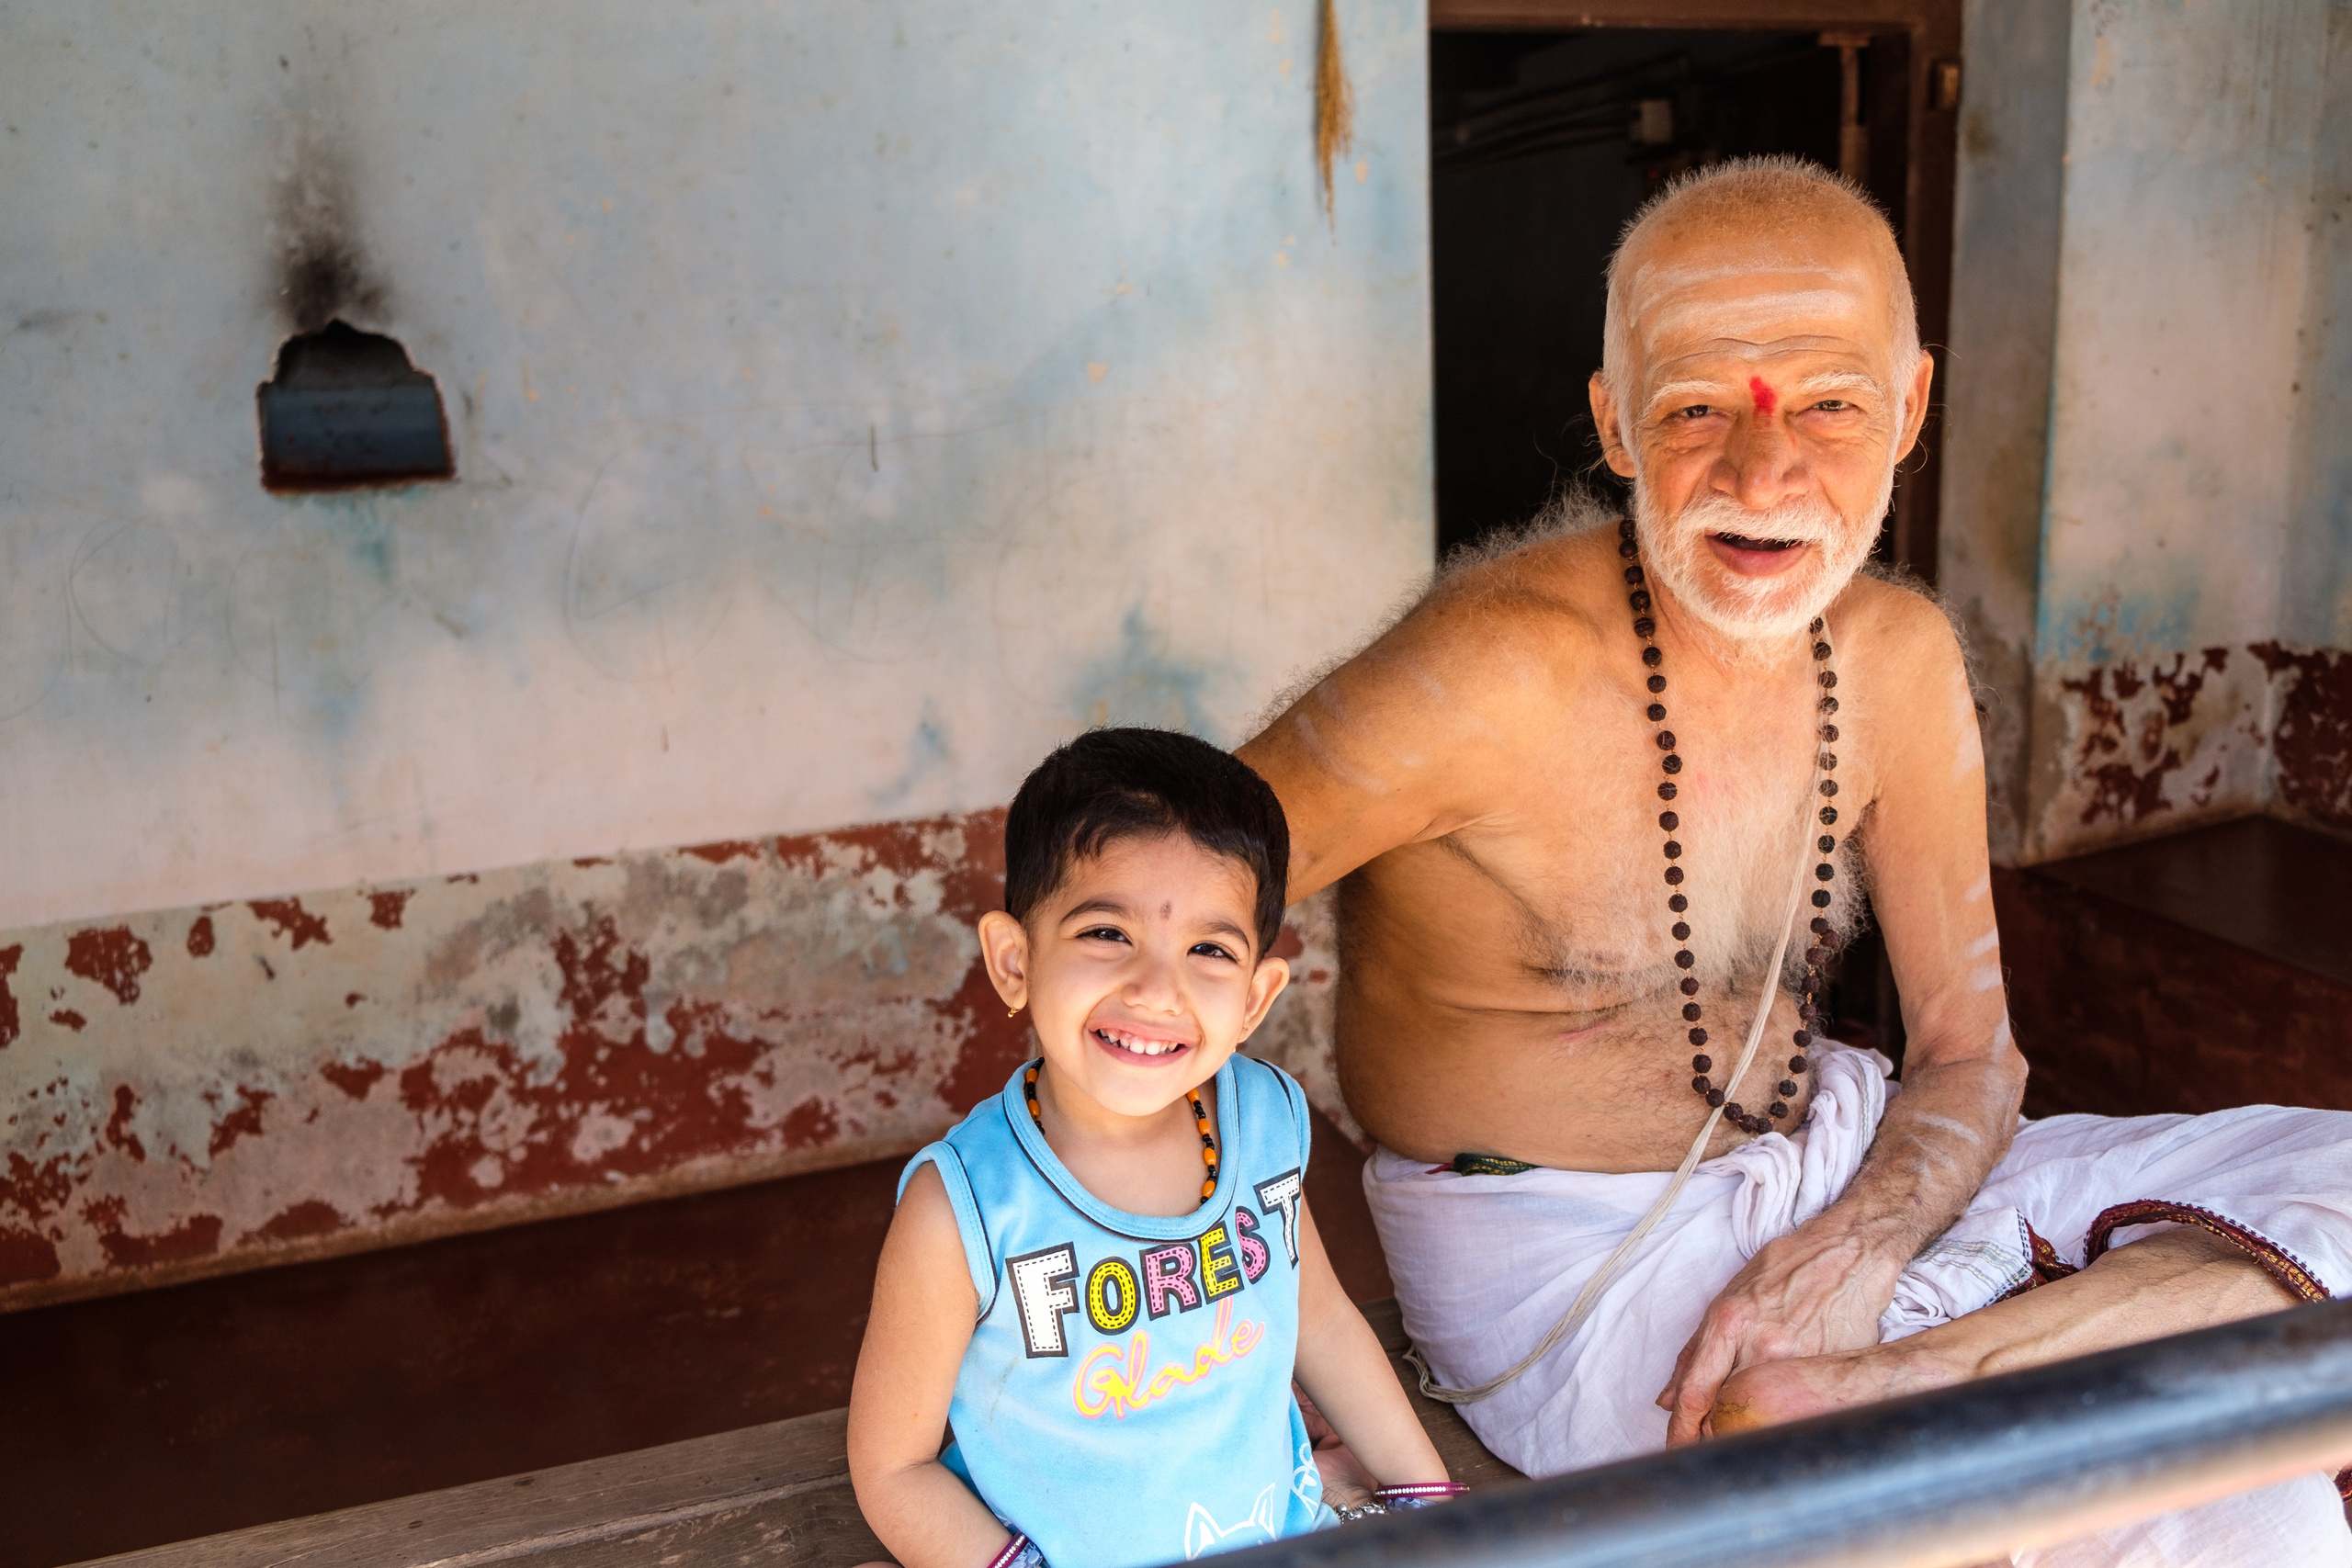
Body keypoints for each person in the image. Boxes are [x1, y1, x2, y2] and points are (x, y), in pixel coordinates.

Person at [1236, 156, 2352, 1563]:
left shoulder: (1897, 656)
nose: (1764, 473)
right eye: (1696, 407)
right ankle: (1882, 1389)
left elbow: (1970, 1049)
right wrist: (1239, 1278)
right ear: (1616, 424)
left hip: (1841, 1168)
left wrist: (1853, 1244)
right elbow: (1145, 909)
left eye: (1828, 404)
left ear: (1911, 407)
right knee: (2222, 1493)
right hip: (1579, 1276)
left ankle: (1904, 1372)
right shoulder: (1490, 665)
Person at [846, 728, 1457, 1568]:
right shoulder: (966, 1207)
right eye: (1107, 932)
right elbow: (894, 1467)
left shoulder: (1265, 1122)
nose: (1157, 990)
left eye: (1209, 949)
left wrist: (1431, 1505)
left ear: (1255, 1000)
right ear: (1014, 960)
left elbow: (1318, 1318)